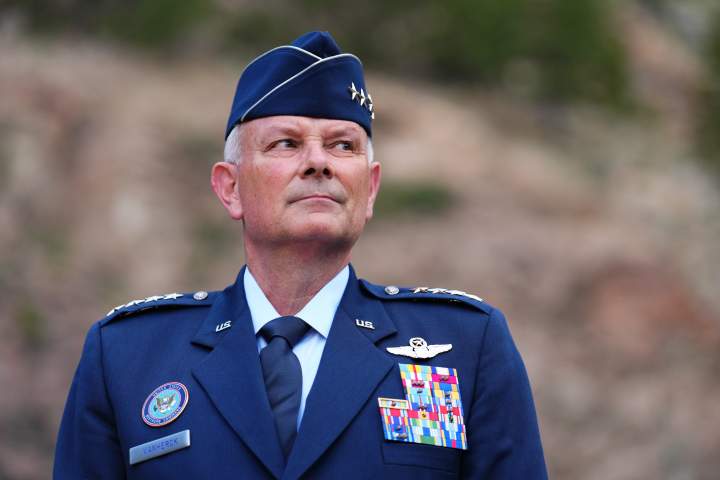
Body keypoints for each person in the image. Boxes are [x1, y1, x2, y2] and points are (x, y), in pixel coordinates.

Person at [54, 31, 547, 479]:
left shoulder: (466, 347)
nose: (318, 162)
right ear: (230, 189)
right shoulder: (128, 357)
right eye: (286, 143)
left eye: (343, 145)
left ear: (371, 189)